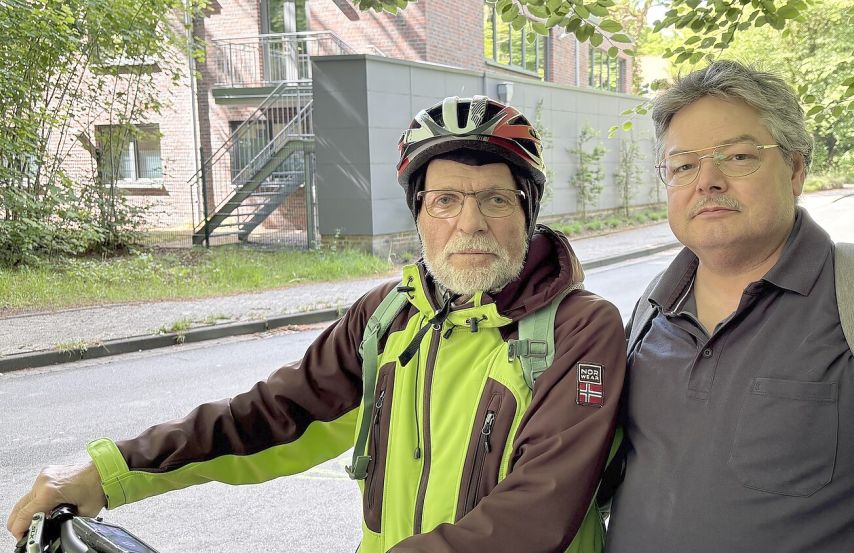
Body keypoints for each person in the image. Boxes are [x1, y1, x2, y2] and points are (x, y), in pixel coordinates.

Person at [7, 95, 626, 553]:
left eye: (495, 198)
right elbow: (270, 417)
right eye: (445, 200)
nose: (470, 224)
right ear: (419, 215)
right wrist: (111, 470)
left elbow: (539, 511)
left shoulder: (579, 332)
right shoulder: (389, 317)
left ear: (527, 213)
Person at [605, 60, 854, 552]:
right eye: (683, 166)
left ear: (796, 169)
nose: (708, 181)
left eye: (738, 156)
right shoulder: (652, 313)